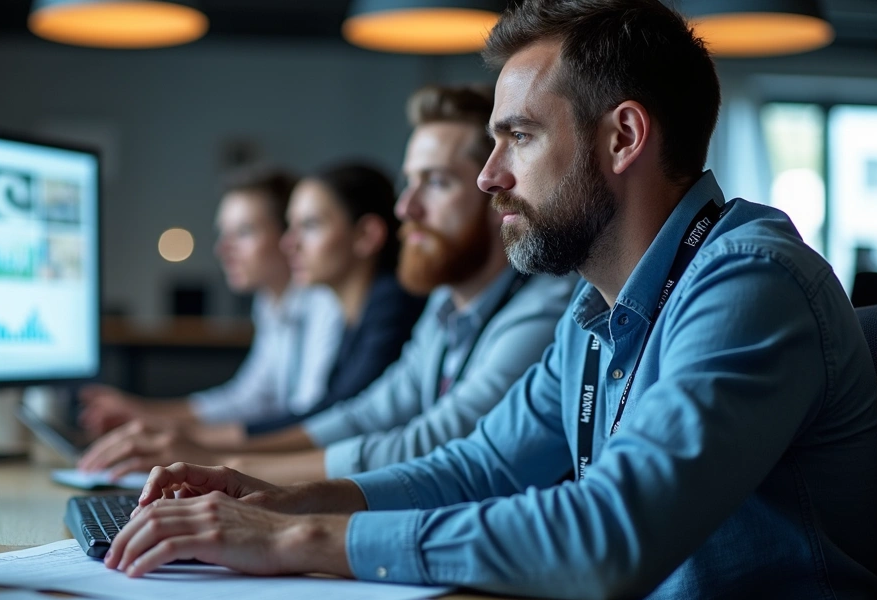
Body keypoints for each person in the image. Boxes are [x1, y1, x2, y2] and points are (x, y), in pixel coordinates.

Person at [102, 1, 877, 600]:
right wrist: (277, 499)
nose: (489, 176)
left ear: (623, 137)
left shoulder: (749, 280)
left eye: (519, 135)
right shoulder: (593, 312)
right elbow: (477, 468)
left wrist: (297, 543)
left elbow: (612, 534)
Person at [77, 85, 575, 485]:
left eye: (438, 183)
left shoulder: (544, 305)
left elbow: (432, 442)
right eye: (409, 182)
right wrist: (214, 456)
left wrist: (229, 465)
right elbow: (368, 414)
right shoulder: (445, 303)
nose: (407, 208)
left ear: (494, 189)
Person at [79, 163, 428, 476]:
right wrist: (169, 430)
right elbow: (258, 398)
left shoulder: (357, 303)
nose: (291, 244)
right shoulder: (319, 305)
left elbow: (326, 417)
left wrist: (206, 449)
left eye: (244, 232)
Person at [79, 167, 344, 434]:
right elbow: (249, 399)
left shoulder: (326, 301)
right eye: (223, 233)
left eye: (244, 232)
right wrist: (143, 411)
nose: (222, 249)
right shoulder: (270, 303)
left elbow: (310, 416)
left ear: (288, 235)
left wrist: (176, 433)